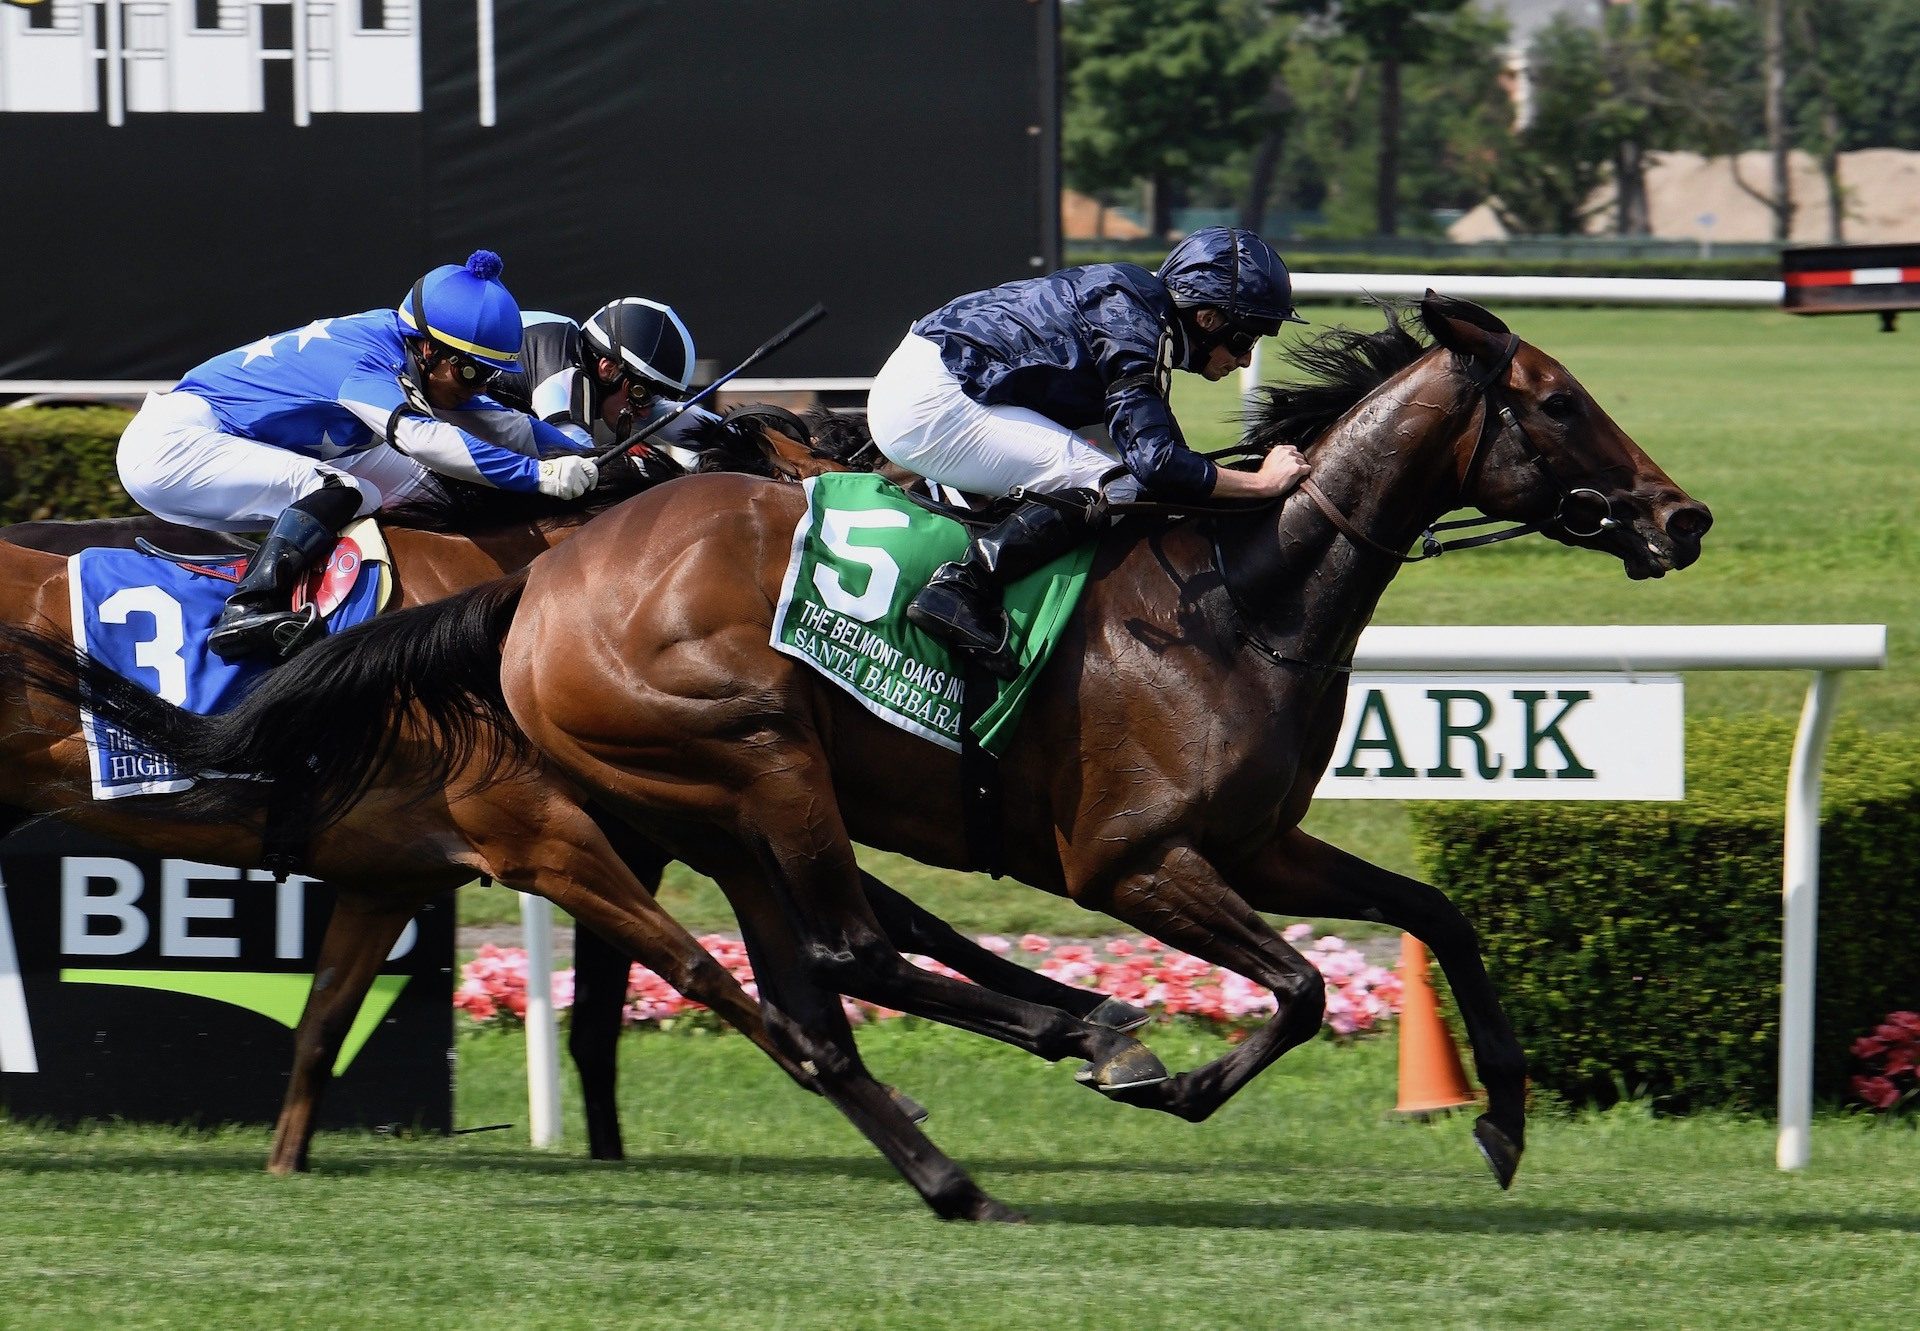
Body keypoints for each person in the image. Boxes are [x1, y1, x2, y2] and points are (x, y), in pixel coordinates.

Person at [865, 226, 1314, 679]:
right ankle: (963, 587)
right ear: (1208, 318)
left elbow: (1166, 453)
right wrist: (1261, 483)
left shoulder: (1139, 308)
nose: (1244, 360)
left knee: (1111, 477)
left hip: (936, 381)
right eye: (1245, 339)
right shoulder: (1134, 323)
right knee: (1109, 483)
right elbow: (1155, 465)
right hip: (934, 400)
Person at [117, 251, 597, 661]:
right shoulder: (365, 359)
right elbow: (423, 438)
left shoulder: (414, 350)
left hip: (231, 440)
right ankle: (249, 609)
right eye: (472, 372)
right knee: (344, 489)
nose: (480, 388)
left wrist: (602, 461)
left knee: (424, 489)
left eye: (490, 376)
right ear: (428, 349)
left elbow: (500, 422)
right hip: (171, 450)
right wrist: (537, 476)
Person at [491, 296, 720, 467]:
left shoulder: (595, 369)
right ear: (608, 369)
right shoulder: (562, 366)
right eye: (642, 394)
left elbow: (664, 415)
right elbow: (577, 460)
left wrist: (741, 434)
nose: (643, 412)